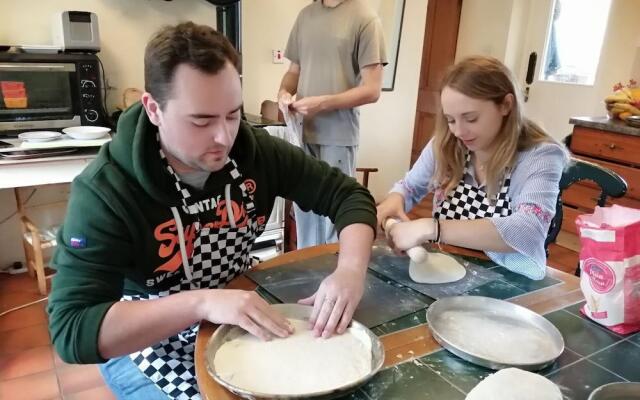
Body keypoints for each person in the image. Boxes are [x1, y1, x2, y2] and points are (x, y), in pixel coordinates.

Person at [47, 22, 377, 400]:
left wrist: (350, 270)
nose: (224, 137)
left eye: (233, 114)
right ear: (154, 109)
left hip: (235, 303)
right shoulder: (107, 190)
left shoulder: (257, 152)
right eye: (201, 120)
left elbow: (349, 196)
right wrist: (201, 301)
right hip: (145, 334)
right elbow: (72, 331)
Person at [377, 56, 568, 280]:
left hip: (510, 280)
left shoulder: (540, 156)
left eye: (471, 118)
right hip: (447, 267)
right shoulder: (448, 143)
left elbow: (529, 230)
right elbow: (410, 187)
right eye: (450, 120)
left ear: (506, 105)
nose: (459, 131)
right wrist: (395, 199)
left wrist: (433, 228)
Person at [278, 0, 387, 248]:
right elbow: (294, 71)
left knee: (333, 215)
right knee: (304, 212)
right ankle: (308, 275)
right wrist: (284, 92)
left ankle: (335, 276)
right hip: (303, 132)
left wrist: (324, 103)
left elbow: (372, 90)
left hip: (339, 135)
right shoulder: (305, 16)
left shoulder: (365, 18)